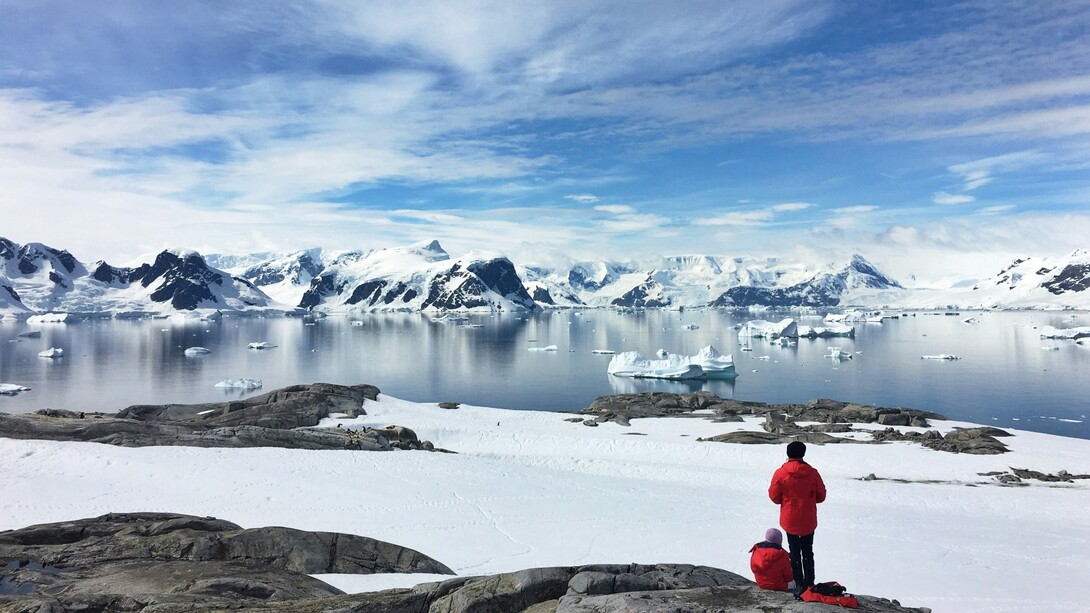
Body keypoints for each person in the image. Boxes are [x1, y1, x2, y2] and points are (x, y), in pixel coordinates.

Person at [768, 440, 826, 592]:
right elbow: (821, 496)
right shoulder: (812, 473)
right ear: (803, 454)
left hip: (790, 518)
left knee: (794, 551)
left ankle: (799, 583)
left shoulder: (780, 473)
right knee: (808, 550)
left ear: (788, 454)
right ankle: (810, 583)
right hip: (808, 519)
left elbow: (774, 497)